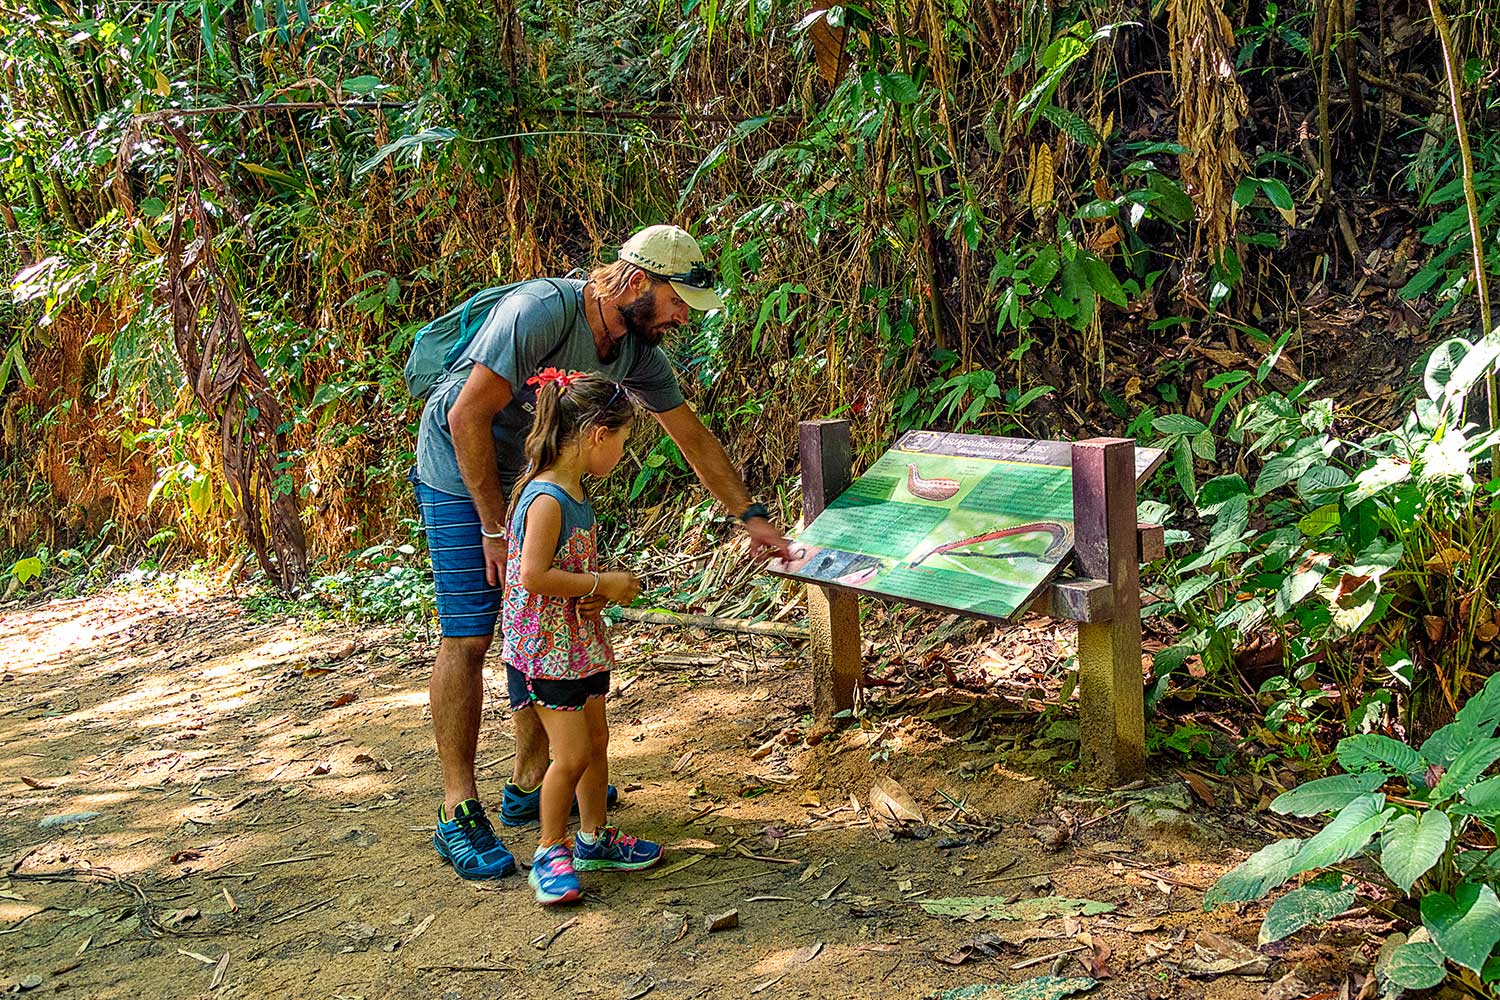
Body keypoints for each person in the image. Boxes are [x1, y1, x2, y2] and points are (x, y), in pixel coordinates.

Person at [415, 225, 793, 879]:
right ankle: (457, 807)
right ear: (638, 282)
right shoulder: (541, 311)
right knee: (470, 633)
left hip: (532, 477)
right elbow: (465, 416)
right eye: (678, 303)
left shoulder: (634, 352)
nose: (681, 320)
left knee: (538, 622)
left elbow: (691, 436)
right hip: (461, 467)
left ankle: (534, 780)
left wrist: (750, 515)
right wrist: (492, 529)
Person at [502, 371, 661, 903]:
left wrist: (593, 593)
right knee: (568, 755)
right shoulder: (547, 498)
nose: (621, 454)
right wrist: (602, 582)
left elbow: (558, 572)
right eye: (620, 442)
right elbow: (532, 575)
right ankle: (550, 850)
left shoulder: (572, 491)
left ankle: (595, 836)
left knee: (596, 744)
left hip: (577, 643)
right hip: (546, 654)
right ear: (596, 433)